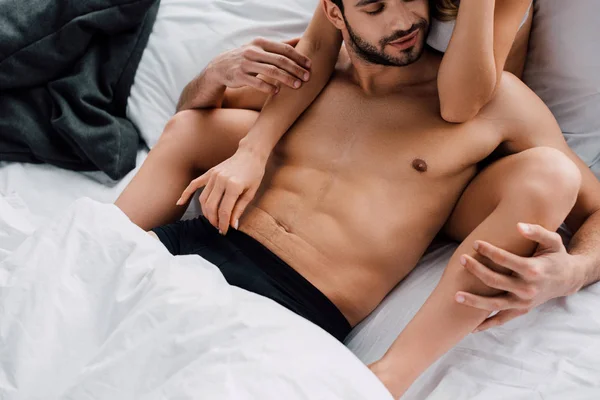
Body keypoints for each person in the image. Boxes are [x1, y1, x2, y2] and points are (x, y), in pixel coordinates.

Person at [116, 0, 600, 397]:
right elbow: (188, 124)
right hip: (178, 252)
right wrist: (215, 76)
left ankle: (389, 380)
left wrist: (574, 271)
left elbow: (591, 203)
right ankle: (105, 248)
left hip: (293, 305)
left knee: (553, 172)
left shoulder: (497, 106)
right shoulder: (303, 81)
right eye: (374, 7)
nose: (404, 21)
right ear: (333, 13)